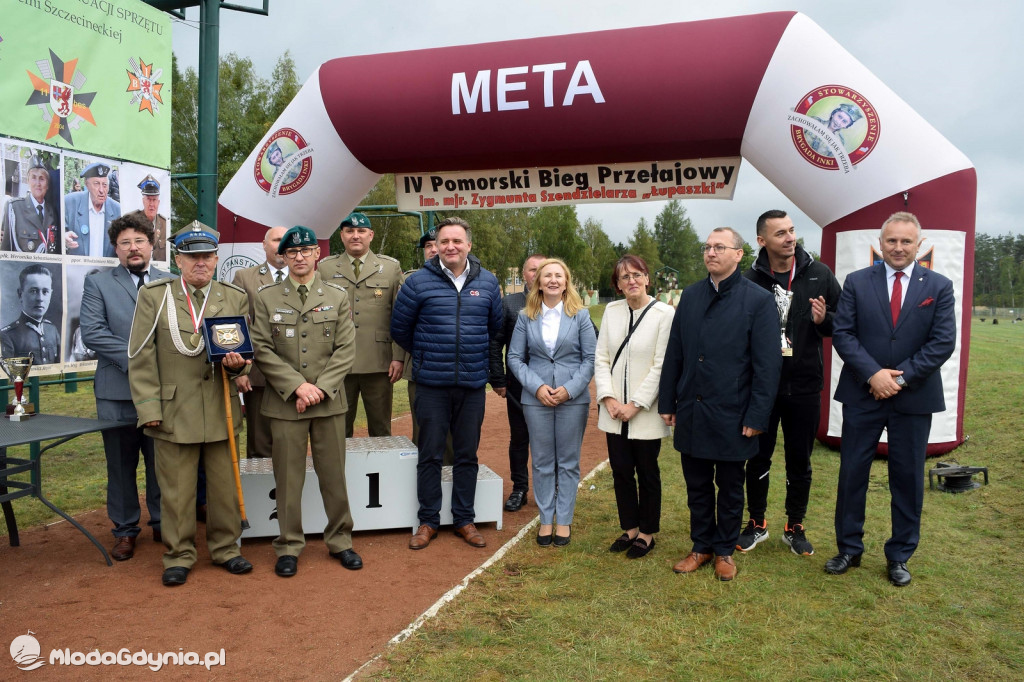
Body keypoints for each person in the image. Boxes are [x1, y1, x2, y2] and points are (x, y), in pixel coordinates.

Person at [827, 212, 956, 587]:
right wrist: (874, 374)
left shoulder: (940, 285)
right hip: (863, 393)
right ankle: (848, 549)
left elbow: (942, 342)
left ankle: (899, 555)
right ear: (880, 243)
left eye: (906, 241)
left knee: (908, 477)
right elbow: (844, 333)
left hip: (913, 398)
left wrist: (900, 379)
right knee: (852, 473)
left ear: (920, 244)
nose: (898, 248)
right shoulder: (855, 282)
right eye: (891, 241)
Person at [128, 221, 254, 587]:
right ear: (178, 260)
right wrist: (149, 408)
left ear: (216, 259)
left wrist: (240, 364)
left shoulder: (232, 295)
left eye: (207, 256)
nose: (201, 262)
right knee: (178, 492)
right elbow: (140, 357)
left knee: (224, 488)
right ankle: (179, 555)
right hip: (174, 411)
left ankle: (227, 549)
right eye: (192, 256)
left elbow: (243, 350)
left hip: (220, 406)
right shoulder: (155, 295)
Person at [659, 228, 781, 581]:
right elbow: (675, 353)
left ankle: (725, 550)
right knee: (697, 486)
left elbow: (767, 366)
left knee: (729, 488)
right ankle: (701, 546)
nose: (711, 253)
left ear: (739, 255)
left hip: (735, 413)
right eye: (707, 247)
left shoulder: (758, 300)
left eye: (719, 247)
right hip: (693, 410)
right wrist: (668, 400)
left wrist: (757, 415)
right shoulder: (692, 296)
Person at [250, 225, 362, 577]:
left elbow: (346, 349)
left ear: (317, 254)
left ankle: (341, 540)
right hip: (285, 402)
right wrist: (298, 386)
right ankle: (288, 544)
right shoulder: (267, 296)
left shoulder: (337, 295)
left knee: (333, 475)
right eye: (292, 253)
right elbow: (262, 349)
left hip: (329, 402)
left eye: (306, 251)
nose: (299, 257)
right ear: (283, 257)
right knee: (287, 478)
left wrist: (320, 389)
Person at [391, 217, 503, 551]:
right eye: (444, 242)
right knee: (430, 454)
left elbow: (494, 328)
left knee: (467, 454)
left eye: (457, 241)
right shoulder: (417, 283)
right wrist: (427, 355)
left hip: (471, 385)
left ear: (469, 245)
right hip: (431, 385)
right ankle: (427, 520)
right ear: (436, 246)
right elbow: (400, 329)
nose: (450, 247)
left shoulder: (487, 282)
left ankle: (464, 519)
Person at [737, 210, 843, 556]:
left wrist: (823, 319)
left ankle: (794, 525)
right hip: (761, 388)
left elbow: (843, 323)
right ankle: (757, 523)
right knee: (757, 457)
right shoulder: (749, 279)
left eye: (792, 230)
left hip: (805, 386)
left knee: (800, 459)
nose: (789, 237)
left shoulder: (819, 274)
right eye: (780, 233)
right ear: (762, 241)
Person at [80, 211, 168, 561]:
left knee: (163, 460)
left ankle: (164, 522)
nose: (133, 248)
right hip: (117, 390)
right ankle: (125, 529)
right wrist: (143, 360)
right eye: (125, 243)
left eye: (139, 241)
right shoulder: (98, 283)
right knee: (120, 464)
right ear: (116, 249)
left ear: (151, 244)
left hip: (164, 390)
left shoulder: (171, 281)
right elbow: (94, 333)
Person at [508, 258, 596, 547]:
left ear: (567, 281)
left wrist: (569, 390)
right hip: (536, 400)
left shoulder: (581, 316)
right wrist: (537, 387)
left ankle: (564, 520)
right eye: (547, 275)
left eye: (559, 275)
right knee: (543, 461)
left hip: (573, 399)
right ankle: (546, 520)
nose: (553, 280)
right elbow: (515, 358)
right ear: (538, 282)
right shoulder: (525, 316)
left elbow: (590, 359)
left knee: (568, 462)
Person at [594, 255, 674, 558]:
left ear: (647, 279)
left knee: (647, 471)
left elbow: (660, 364)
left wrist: (636, 404)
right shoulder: (612, 312)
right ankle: (629, 527)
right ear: (617, 284)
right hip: (613, 411)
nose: (631, 281)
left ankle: (647, 532)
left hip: (645, 412)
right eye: (624, 277)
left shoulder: (664, 314)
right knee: (621, 470)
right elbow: (601, 358)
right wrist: (609, 398)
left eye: (637, 275)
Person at [318, 212, 406, 437]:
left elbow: (399, 315)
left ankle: (381, 472)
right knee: (338, 427)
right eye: (350, 231)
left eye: (361, 231)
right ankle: (339, 472)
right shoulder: (326, 269)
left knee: (381, 427)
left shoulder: (390, 268)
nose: (355, 236)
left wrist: (397, 356)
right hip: (337, 362)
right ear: (342, 235)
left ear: (371, 235)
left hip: (379, 361)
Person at [490, 253, 545, 512]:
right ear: (524, 274)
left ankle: (551, 489)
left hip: (554, 388)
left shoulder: (563, 303)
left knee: (550, 441)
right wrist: (498, 379)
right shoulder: (510, 303)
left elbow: (591, 337)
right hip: (518, 388)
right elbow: (495, 343)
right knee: (520, 439)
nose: (537, 275)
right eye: (532, 270)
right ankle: (519, 488)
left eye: (542, 270)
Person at [232, 226, 288, 459]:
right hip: (258, 373)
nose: (281, 245)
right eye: (276, 240)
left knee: (292, 440)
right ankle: (261, 495)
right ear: (264, 245)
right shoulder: (245, 278)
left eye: (286, 240)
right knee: (259, 442)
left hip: (300, 372)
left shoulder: (309, 277)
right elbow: (235, 324)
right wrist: (239, 371)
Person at [402, 228, 453, 464]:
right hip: (421, 367)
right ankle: (420, 480)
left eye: (437, 244)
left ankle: (451, 475)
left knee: (454, 431)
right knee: (422, 428)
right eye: (428, 246)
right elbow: (400, 325)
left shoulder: (467, 278)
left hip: (457, 369)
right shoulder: (410, 280)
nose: (433, 249)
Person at [1, 264, 61, 364]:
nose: (40, 299)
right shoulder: (7, 336)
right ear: (20, 294)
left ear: (50, 294)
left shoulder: (52, 330)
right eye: (33, 291)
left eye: (45, 292)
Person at [1, 156, 59, 253]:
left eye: (42, 178)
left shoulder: (53, 211)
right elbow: (5, 250)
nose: (37, 183)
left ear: (47, 185)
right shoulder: (14, 208)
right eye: (33, 177)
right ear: (28, 181)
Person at [65, 162, 121, 257]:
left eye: (104, 185)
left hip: (106, 270)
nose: (101, 190)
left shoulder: (117, 210)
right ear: (87, 185)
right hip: (77, 269)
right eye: (96, 184)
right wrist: (64, 237)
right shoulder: (69, 203)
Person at [138, 174, 168, 262]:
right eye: (148, 199)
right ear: (143, 201)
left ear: (158, 202)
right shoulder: (132, 221)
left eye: (154, 200)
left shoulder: (165, 224)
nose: (151, 204)